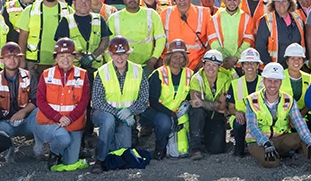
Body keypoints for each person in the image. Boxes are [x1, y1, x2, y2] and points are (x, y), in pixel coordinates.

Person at [244, 62, 311, 171]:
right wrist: (265, 142)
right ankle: (271, 154)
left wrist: (310, 141)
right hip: (258, 141)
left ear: (281, 82)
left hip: (280, 139)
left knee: (304, 138)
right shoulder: (252, 100)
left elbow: (299, 122)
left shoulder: (288, 99)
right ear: (263, 81)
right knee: (271, 162)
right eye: (269, 80)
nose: (272, 84)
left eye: (276, 81)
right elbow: (252, 126)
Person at [90, 37, 149, 173]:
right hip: (103, 113)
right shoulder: (102, 72)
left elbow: (143, 100)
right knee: (109, 121)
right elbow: (97, 101)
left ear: (128, 54)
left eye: (123, 54)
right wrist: (117, 113)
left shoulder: (138, 71)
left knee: (123, 150)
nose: (120, 58)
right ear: (110, 55)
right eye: (116, 54)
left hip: (126, 115)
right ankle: (100, 159)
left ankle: (108, 152)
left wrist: (130, 111)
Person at [33, 38, 90, 171]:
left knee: (71, 161)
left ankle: (65, 150)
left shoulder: (82, 74)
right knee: (63, 139)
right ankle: (54, 153)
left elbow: (84, 101)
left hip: (73, 123)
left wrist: (69, 118)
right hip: (50, 122)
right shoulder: (47, 74)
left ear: (74, 57)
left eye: (69, 55)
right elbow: (40, 100)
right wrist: (58, 118)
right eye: (62, 55)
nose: (65, 59)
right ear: (56, 57)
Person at [143, 39, 194, 159]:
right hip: (157, 111)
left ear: (185, 58)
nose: (178, 59)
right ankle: (159, 148)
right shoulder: (159, 73)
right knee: (165, 123)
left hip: (178, 113)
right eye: (174, 56)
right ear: (169, 57)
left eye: (181, 56)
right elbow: (153, 101)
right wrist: (170, 114)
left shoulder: (190, 74)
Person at [106, 0, 167, 73]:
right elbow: (108, 45)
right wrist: (113, 65)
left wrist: (153, 60)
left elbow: (161, 38)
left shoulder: (151, 14)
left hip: (146, 66)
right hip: (122, 67)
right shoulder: (114, 18)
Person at [0, 42, 36, 158]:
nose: (12, 60)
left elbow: (37, 100)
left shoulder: (29, 76)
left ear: (20, 58)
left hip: (26, 121)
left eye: (15, 56)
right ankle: (8, 150)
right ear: (2, 60)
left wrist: (23, 112)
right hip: (5, 122)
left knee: (40, 113)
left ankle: (39, 149)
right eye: (8, 57)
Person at [162, 0, 220, 69]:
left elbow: (212, 40)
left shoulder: (204, 13)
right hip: (171, 67)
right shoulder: (165, 13)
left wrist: (203, 61)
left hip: (196, 66)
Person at [18, 0, 68, 75]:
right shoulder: (30, 10)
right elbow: (23, 37)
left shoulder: (68, 11)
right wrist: (22, 60)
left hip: (60, 63)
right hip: (33, 63)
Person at [187, 50, 231, 158]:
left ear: (219, 67)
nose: (211, 68)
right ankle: (195, 147)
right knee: (197, 112)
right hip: (202, 113)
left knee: (217, 149)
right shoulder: (196, 78)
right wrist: (216, 105)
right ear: (203, 65)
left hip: (216, 115)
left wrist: (203, 103)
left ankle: (206, 138)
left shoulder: (225, 78)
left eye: (214, 65)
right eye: (208, 65)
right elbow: (195, 104)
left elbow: (222, 106)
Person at [55, 0, 110, 70]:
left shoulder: (99, 19)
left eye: (86, 0)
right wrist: (80, 57)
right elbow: (61, 44)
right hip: (73, 68)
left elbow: (105, 40)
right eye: (80, 0)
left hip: (95, 67)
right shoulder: (66, 21)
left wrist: (93, 56)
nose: (83, 3)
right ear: (74, 2)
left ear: (91, 2)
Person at [250, 0, 305, 66]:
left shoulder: (298, 18)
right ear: (273, 3)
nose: (281, 4)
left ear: (289, 2)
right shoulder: (266, 20)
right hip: (274, 67)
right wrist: (271, 66)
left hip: (295, 67)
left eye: (284, 1)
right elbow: (260, 46)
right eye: (278, 1)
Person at [226, 48, 264, 157]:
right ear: (242, 66)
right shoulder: (235, 84)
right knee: (238, 122)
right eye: (246, 63)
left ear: (257, 66)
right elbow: (231, 107)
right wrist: (237, 113)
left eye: (253, 63)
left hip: (260, 118)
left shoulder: (265, 82)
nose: (249, 66)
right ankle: (239, 148)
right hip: (242, 117)